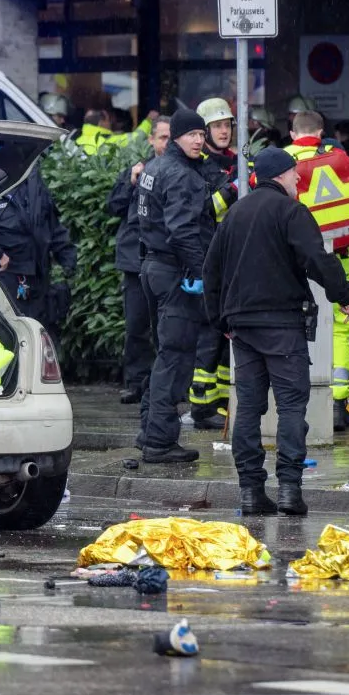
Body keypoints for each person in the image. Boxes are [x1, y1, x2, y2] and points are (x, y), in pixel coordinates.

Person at [203, 148, 349, 514]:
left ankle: (251, 492)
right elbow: (316, 259)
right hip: (283, 325)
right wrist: (344, 294)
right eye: (293, 173)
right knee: (290, 408)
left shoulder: (235, 214)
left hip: (242, 327)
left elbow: (211, 272)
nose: (298, 179)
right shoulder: (291, 211)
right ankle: (289, 490)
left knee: (248, 409)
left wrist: (221, 321)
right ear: (281, 175)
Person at [136, 109, 214, 463]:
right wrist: (201, 271)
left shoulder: (154, 167)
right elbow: (182, 231)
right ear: (177, 137)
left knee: (164, 354)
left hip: (153, 268)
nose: (199, 140)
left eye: (201, 134)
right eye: (192, 135)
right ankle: (160, 441)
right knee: (176, 356)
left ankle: (148, 431)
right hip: (175, 274)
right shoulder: (182, 175)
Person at [285, 110, 349, 430]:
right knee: (340, 327)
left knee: (297, 324)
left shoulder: (283, 159)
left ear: (293, 134)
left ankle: (301, 398)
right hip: (338, 256)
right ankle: (338, 401)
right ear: (321, 132)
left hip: (298, 258)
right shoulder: (340, 158)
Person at [0, 166, 77, 341]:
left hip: (38, 278)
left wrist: (69, 263)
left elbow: (51, 225)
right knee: (10, 336)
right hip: (3, 278)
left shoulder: (31, 179)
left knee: (40, 338)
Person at [107, 115, 169, 405]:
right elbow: (113, 206)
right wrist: (131, 182)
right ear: (151, 140)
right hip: (136, 262)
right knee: (136, 326)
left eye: (171, 137)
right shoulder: (138, 170)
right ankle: (136, 383)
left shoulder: (183, 172)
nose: (167, 143)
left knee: (168, 327)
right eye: (162, 138)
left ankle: (167, 384)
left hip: (169, 261)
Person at [189, 97, 239, 430]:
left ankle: (220, 399)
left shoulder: (236, 161)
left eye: (227, 125)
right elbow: (207, 210)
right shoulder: (201, 166)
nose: (223, 131)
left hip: (233, 256)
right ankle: (201, 405)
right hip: (210, 257)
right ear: (205, 131)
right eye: (217, 126)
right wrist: (235, 187)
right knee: (210, 332)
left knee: (225, 333)